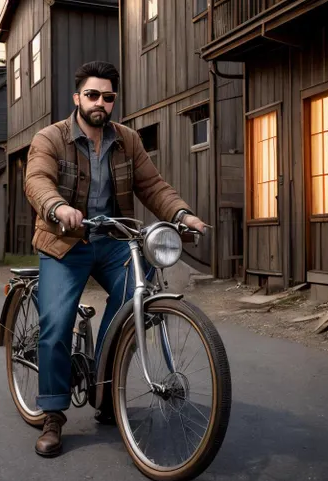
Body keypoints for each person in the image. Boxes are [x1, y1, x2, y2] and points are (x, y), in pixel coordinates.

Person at [23, 60, 206, 457]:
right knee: (56, 322)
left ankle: (105, 390)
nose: (99, 103)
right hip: (64, 241)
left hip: (113, 242)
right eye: (92, 95)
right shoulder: (50, 137)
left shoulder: (127, 140)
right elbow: (37, 179)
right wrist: (56, 207)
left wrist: (181, 214)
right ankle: (53, 413)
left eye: (108, 97)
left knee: (133, 302)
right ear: (77, 98)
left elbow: (153, 185)